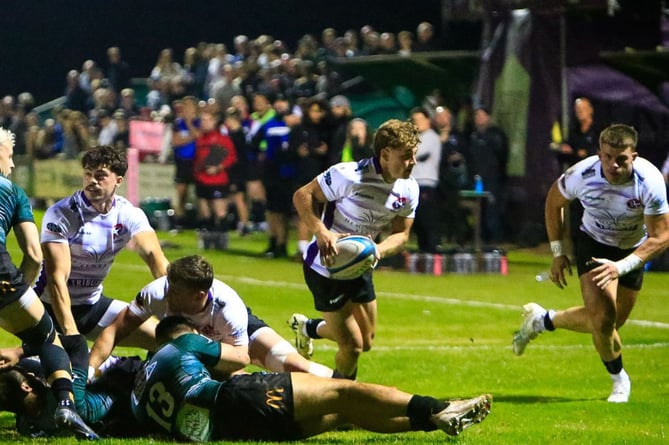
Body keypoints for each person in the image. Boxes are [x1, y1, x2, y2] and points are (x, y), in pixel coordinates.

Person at [131, 315, 492, 442]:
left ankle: (432, 421)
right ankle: (441, 407)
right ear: (187, 330)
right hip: (234, 398)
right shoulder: (186, 343)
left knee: (345, 413)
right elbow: (238, 360)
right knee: (343, 390)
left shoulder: (143, 383)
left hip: (231, 429)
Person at [513, 124, 669, 403]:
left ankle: (543, 320)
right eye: (607, 156)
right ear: (599, 154)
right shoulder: (581, 174)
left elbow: (662, 236)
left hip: (632, 249)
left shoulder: (650, 182)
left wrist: (621, 267)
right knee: (603, 320)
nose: (613, 164)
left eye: (621, 158)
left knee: (612, 323)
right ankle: (619, 380)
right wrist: (559, 252)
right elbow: (553, 202)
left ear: (634, 156)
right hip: (594, 244)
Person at [290, 119, 420, 379]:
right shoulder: (348, 174)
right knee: (352, 347)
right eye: (406, 156)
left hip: (359, 264)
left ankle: (308, 328)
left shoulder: (409, 188)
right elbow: (302, 196)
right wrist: (321, 231)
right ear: (384, 154)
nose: (413, 162)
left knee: (367, 339)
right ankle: (340, 404)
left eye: (413, 156)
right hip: (326, 267)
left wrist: (378, 251)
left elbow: (401, 235)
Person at [0, 127, 97, 439]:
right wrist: (20, 292)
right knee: (47, 338)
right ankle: (66, 403)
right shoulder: (12, 192)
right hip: (3, 280)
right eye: (10, 156)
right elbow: (33, 254)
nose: (12, 165)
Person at [88, 255, 334, 379]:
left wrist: (196, 347)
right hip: (193, 350)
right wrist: (88, 370)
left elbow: (240, 357)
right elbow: (113, 330)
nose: (167, 293)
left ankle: (345, 388)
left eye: (175, 290)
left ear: (199, 295)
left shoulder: (228, 307)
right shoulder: (156, 292)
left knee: (294, 366)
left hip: (236, 337)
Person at [34, 145, 169, 346]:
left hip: (92, 306)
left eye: (100, 175)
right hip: (46, 307)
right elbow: (56, 279)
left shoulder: (129, 214)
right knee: (49, 372)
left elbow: (155, 259)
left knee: (167, 339)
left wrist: (180, 312)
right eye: (87, 174)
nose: (92, 181)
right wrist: (71, 333)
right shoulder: (62, 214)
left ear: (118, 180)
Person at [192, 107, 238, 249]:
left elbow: (232, 157)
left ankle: (222, 242)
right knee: (205, 212)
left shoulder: (222, 139)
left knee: (220, 211)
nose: (204, 123)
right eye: (202, 120)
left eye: (207, 120)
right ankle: (208, 241)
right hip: (201, 179)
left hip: (217, 180)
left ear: (214, 122)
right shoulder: (199, 139)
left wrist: (218, 168)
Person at [468, 106, 509, 243]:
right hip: (477, 179)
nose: (478, 118)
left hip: (493, 180)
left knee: (492, 212)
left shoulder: (496, 135)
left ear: (488, 117)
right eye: (476, 116)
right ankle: (481, 241)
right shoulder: (473, 135)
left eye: (481, 115)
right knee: (480, 212)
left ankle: (495, 241)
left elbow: (502, 156)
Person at [410, 106, 443, 253]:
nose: (417, 123)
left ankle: (432, 251)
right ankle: (423, 251)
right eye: (415, 120)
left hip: (426, 183)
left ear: (428, 120)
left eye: (420, 120)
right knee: (418, 221)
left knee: (427, 220)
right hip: (414, 183)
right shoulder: (416, 138)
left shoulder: (431, 137)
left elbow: (419, 154)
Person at [169, 96, 200, 229]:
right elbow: (175, 142)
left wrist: (189, 125)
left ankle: (202, 221)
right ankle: (179, 222)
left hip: (197, 162)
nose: (186, 109)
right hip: (182, 162)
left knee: (199, 193)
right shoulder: (177, 123)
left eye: (189, 106)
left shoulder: (200, 122)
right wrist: (192, 136)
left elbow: (200, 137)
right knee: (181, 192)